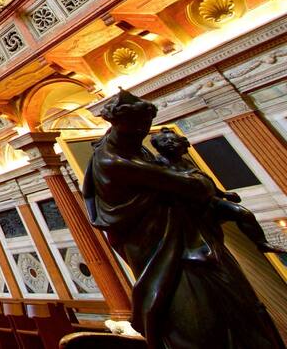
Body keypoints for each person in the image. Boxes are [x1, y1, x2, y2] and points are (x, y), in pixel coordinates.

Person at [84, 90, 284, 349]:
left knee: (236, 308)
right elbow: (195, 186)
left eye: (146, 124)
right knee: (198, 316)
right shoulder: (113, 160)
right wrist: (194, 182)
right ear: (120, 123)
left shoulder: (132, 149)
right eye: (139, 124)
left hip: (186, 238)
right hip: (164, 248)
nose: (145, 130)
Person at [149, 127, 284, 254]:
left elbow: (206, 180)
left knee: (243, 213)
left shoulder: (186, 162)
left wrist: (223, 193)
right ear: (157, 146)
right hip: (187, 208)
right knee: (212, 239)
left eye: (174, 140)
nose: (170, 143)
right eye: (165, 141)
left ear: (183, 145)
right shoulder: (158, 163)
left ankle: (262, 243)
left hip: (210, 201)